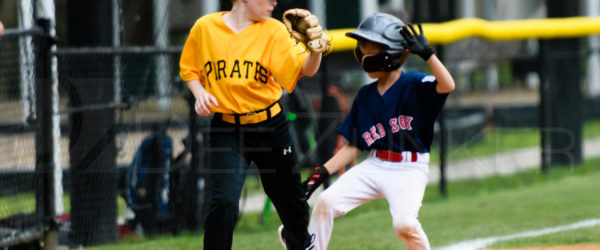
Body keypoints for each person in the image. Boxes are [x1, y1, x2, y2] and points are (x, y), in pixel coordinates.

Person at [298, 13, 455, 250]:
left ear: (390, 54)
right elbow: (354, 145)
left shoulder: (413, 83)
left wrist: (428, 55)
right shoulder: (365, 95)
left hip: (409, 169)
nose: (362, 56)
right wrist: (320, 173)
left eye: (369, 50)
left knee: (404, 224)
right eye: (361, 49)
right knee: (326, 201)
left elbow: (447, 85)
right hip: (375, 164)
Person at [179, 0, 325, 249]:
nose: (274, 2)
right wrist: (199, 93)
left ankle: (299, 242)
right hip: (228, 130)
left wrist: (316, 50)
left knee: (292, 203)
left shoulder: (273, 30)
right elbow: (189, 70)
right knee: (224, 201)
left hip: (271, 126)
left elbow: (305, 69)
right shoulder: (206, 28)